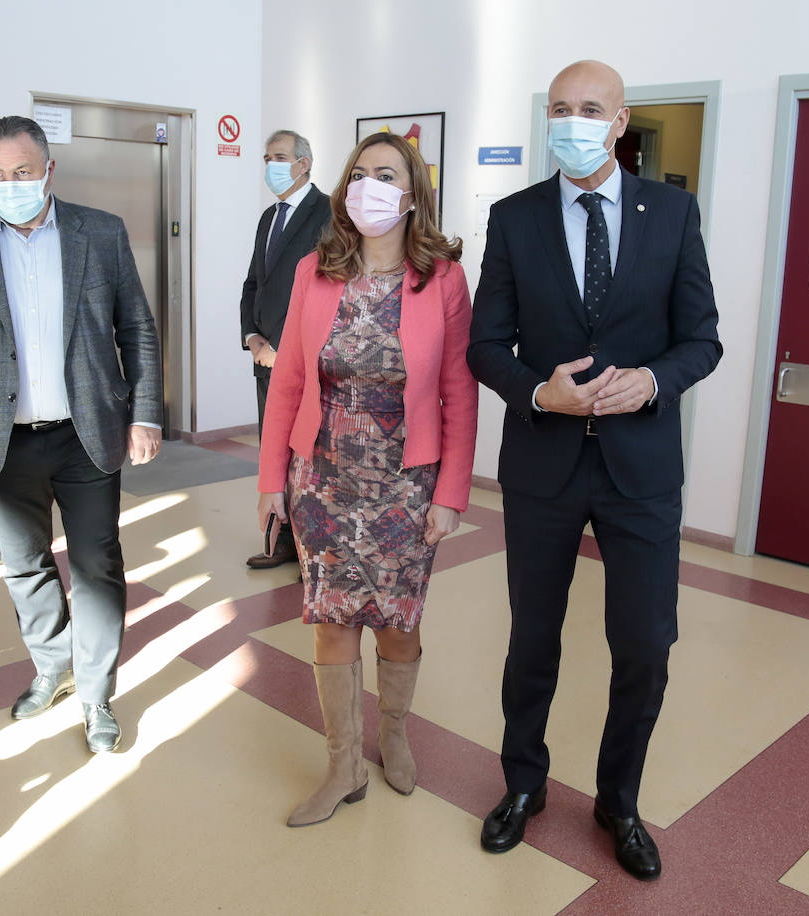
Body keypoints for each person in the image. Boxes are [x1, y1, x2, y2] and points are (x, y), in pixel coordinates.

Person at [467, 61, 722, 879]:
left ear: (619, 122)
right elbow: (483, 345)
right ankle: (523, 783)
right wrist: (539, 392)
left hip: (640, 468)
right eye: (559, 109)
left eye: (588, 109)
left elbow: (702, 340)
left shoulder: (673, 214)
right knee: (532, 637)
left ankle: (619, 800)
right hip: (543, 463)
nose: (571, 121)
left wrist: (652, 383)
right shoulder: (514, 219)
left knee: (644, 642)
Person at [0, 115, 163, 755]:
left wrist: (146, 412)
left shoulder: (98, 232)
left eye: (21, 172)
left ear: (49, 170)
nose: (9, 184)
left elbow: (136, 327)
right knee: (24, 567)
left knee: (98, 567)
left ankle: (96, 694)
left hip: (88, 432)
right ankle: (53, 665)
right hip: (1, 437)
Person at [257, 132, 478, 827]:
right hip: (320, 476)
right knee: (328, 624)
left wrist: (450, 494)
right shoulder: (313, 271)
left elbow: (460, 393)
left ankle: (393, 733)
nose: (368, 187)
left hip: (405, 482)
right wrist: (272, 479)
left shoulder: (442, 278)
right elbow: (289, 380)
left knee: (396, 628)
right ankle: (343, 763)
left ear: (412, 192)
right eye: (359, 174)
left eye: (385, 174)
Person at [241, 130, 330, 569]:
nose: (271, 165)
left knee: (305, 457)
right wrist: (252, 337)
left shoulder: (329, 214)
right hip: (264, 358)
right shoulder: (268, 217)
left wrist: (287, 349)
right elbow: (254, 282)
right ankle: (280, 543)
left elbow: (329, 290)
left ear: (304, 163)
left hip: (302, 361)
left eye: (279, 157)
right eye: (267, 157)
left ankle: (310, 551)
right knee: (272, 451)